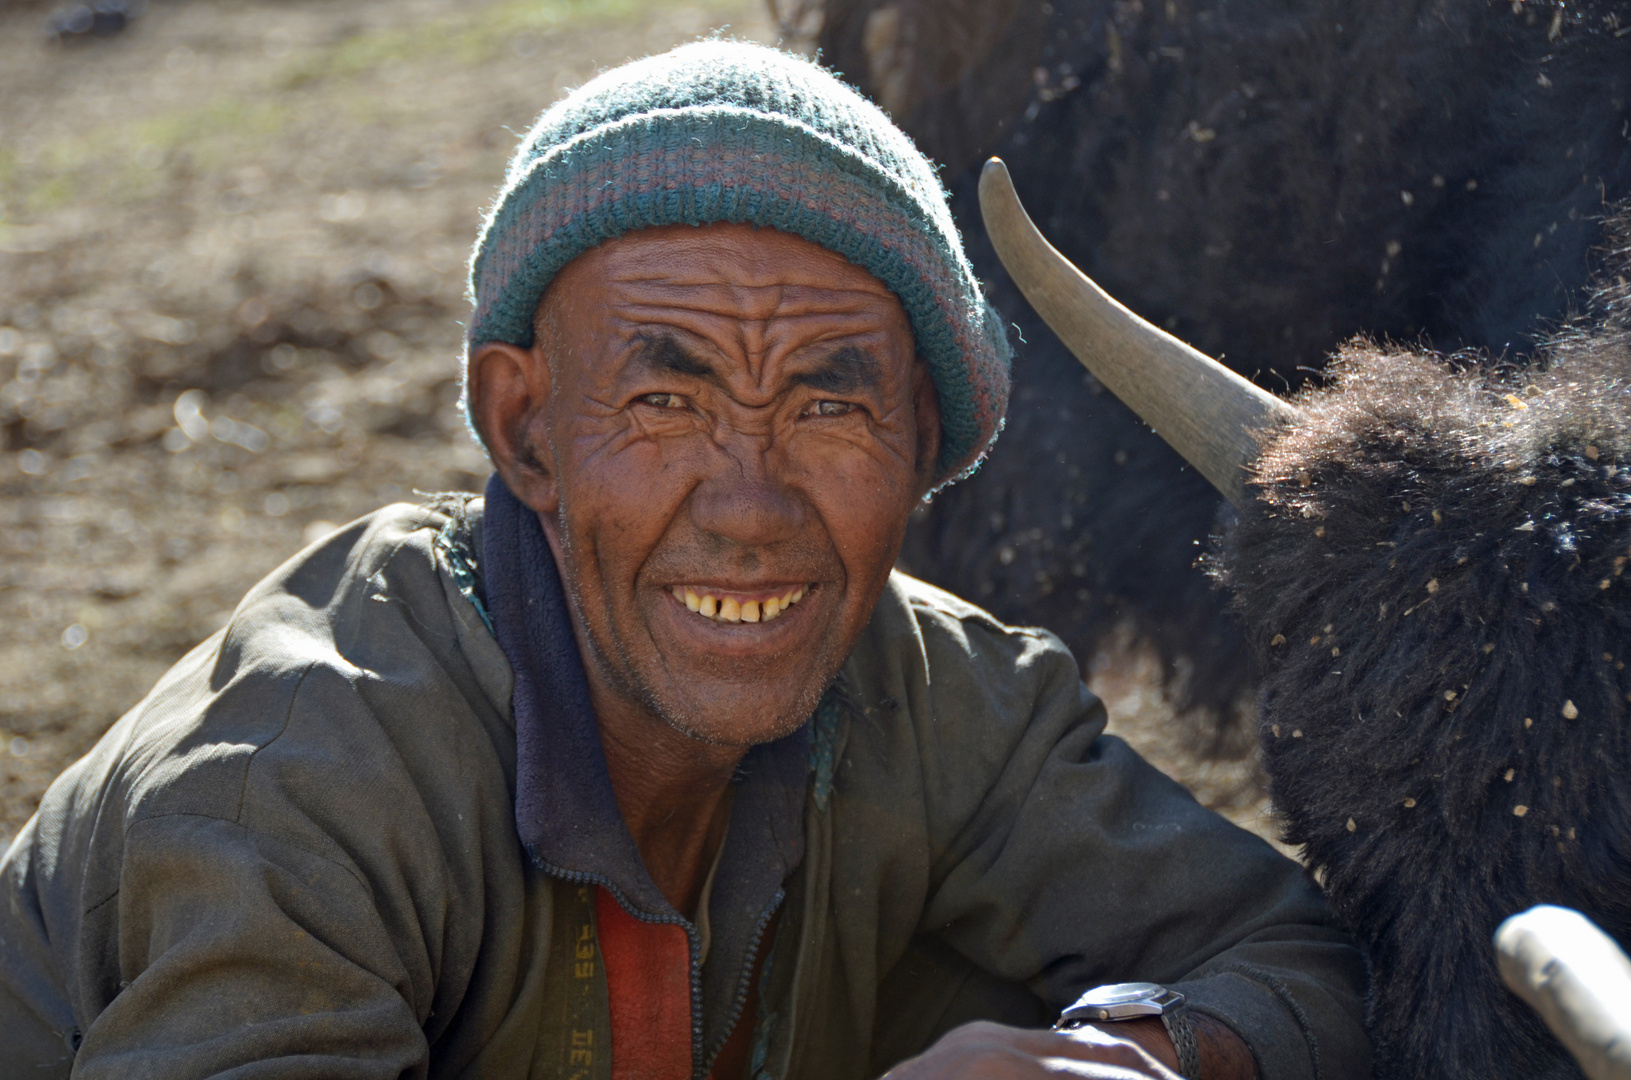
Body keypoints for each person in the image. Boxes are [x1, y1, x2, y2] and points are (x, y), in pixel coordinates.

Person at [0, 41, 1367, 1080]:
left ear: (927, 450)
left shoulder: (947, 697)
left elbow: (1304, 963)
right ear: (525, 430)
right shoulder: (309, 766)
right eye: (666, 402)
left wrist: (1130, 1056)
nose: (751, 506)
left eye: (832, 407)